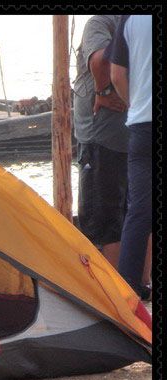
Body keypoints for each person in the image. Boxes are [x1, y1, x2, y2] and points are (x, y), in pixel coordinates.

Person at [72, 15, 128, 269]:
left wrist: (103, 91)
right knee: (132, 212)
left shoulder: (100, 22)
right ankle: (140, 284)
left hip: (102, 135)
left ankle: (108, 297)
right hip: (130, 132)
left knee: (102, 222)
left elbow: (99, 59)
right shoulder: (140, 23)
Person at [107, 15, 152, 300]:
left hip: (141, 126)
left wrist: (134, 105)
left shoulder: (130, 18)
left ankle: (127, 293)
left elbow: (116, 74)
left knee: (139, 212)